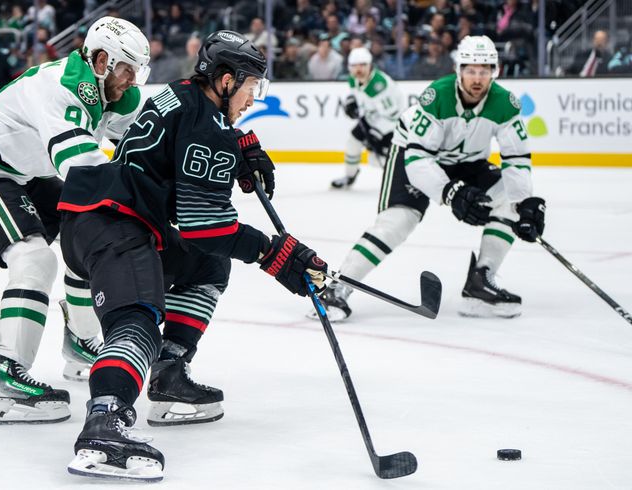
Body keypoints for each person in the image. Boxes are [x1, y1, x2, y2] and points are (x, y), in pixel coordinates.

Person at [58, 30, 327, 482]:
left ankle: (167, 373)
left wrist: (238, 145)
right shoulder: (208, 125)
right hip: (116, 222)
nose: (251, 97)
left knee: (207, 265)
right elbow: (208, 226)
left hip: (103, 216)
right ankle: (105, 423)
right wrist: (273, 253)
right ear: (225, 81)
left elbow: (186, 171)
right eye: (249, 87)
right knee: (137, 318)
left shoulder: (181, 95)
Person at [0, 16, 151, 424]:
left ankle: (80, 342)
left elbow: (142, 146)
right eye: (128, 69)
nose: (133, 80)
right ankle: (6, 375)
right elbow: (83, 170)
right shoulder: (64, 86)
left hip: (23, 170)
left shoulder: (111, 89)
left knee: (90, 229)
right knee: (35, 259)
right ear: (103, 59)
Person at [317, 36, 545, 321]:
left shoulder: (505, 104)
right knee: (397, 222)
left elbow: (517, 159)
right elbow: (418, 160)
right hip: (413, 154)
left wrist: (524, 203)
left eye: (484, 71)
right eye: (471, 70)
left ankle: (480, 283)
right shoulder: (437, 96)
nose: (477, 79)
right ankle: (338, 287)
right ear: (458, 69)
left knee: (509, 201)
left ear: (494, 71)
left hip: (467, 162)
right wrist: (452, 193)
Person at [332, 47, 404, 189]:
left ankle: (403, 182)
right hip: (371, 120)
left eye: (363, 65)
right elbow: (358, 96)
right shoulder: (353, 79)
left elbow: (393, 116)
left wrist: (376, 134)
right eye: (354, 66)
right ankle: (349, 176)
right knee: (352, 143)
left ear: (370, 65)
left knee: (379, 160)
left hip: (391, 127)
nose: (358, 70)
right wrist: (351, 103)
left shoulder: (379, 85)